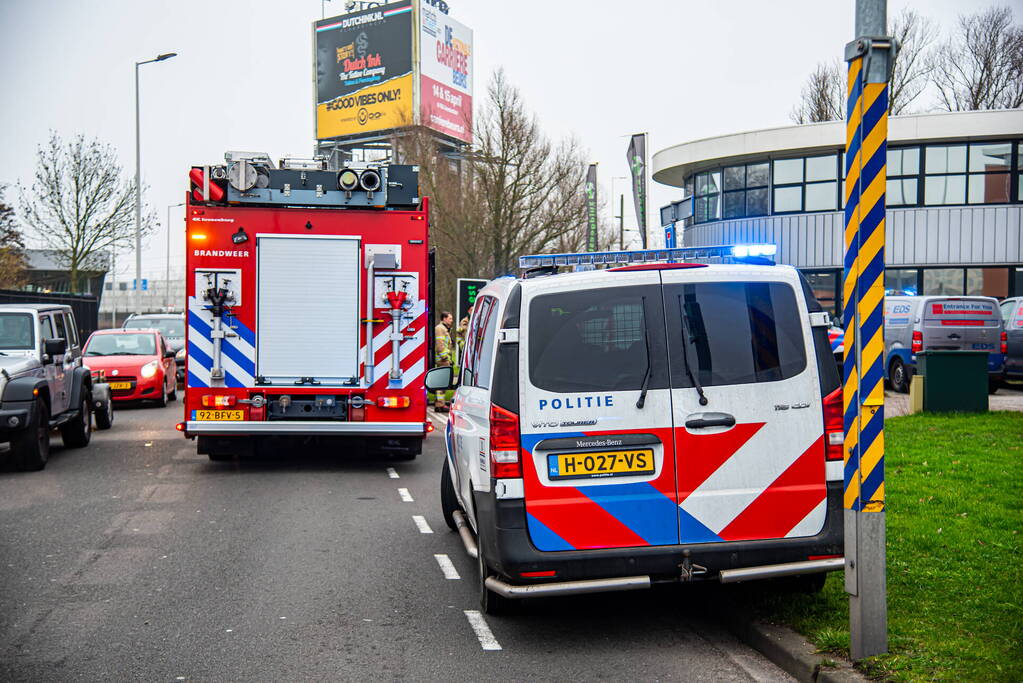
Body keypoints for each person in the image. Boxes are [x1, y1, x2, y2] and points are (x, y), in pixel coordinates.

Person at [433, 311, 455, 412]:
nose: (452, 320)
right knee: (442, 383)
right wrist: (445, 357)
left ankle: (440, 404)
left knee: (443, 383)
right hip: (442, 360)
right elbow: (440, 345)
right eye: (450, 318)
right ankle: (439, 405)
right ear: (444, 319)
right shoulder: (440, 329)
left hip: (444, 360)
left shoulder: (444, 329)